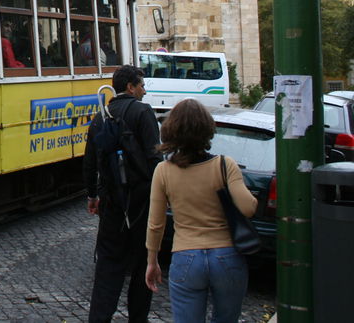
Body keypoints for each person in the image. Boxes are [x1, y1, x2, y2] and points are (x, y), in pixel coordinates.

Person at [145, 98, 257, 323]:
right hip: (226, 254)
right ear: (207, 129)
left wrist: (152, 261)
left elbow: (156, 223)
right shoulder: (225, 165)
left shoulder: (163, 171)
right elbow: (248, 208)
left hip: (186, 256)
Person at [83, 65, 161, 323]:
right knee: (140, 268)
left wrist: (92, 196)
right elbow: (154, 159)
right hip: (140, 204)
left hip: (112, 204)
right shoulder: (143, 112)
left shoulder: (100, 117)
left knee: (108, 268)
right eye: (141, 85)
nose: (144, 90)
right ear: (130, 87)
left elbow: (90, 162)